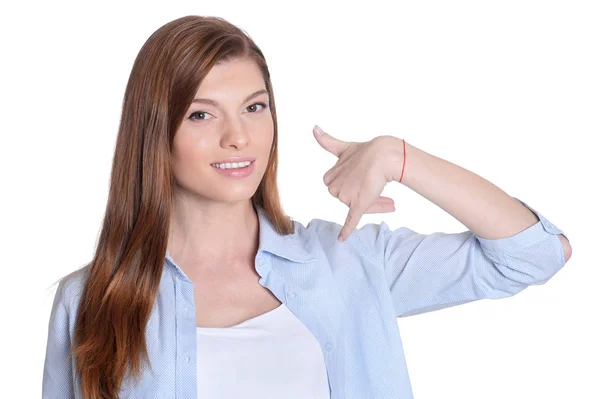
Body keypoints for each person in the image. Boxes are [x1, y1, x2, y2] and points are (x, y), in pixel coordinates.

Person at [42, 15, 572, 399]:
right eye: (201, 116)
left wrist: (398, 156)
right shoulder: (91, 300)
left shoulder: (349, 262)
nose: (238, 137)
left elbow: (535, 254)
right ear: (155, 133)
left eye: (254, 108)